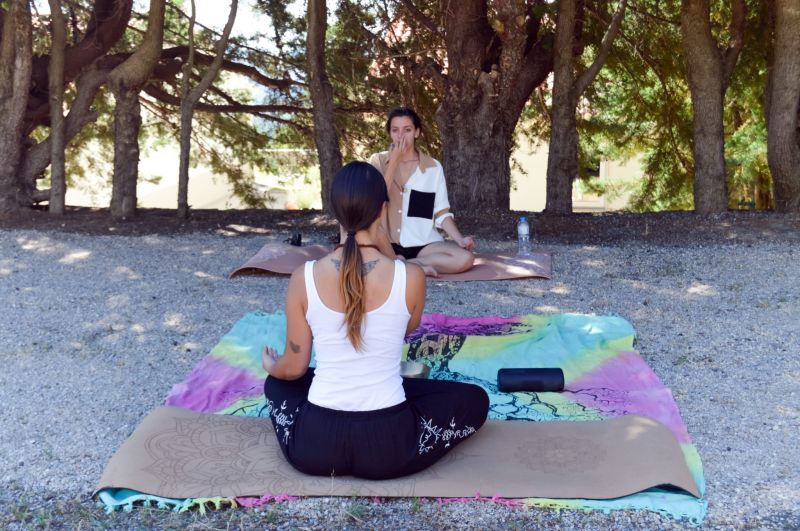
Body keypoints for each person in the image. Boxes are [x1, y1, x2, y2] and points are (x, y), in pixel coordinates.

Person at [262, 161, 489, 480]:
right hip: (389, 447)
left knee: (277, 383)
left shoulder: (304, 277)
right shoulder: (411, 276)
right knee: (474, 399)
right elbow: (405, 331)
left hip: (315, 446)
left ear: (335, 211)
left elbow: (295, 367)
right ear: (383, 211)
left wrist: (272, 367)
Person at [367, 107, 475, 277]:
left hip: (423, 245)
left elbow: (441, 212)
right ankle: (398, 262)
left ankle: (404, 265)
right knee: (363, 258)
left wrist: (459, 239)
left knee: (465, 259)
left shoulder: (433, 167)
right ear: (390, 133)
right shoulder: (377, 161)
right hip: (386, 242)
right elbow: (374, 200)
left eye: (407, 130)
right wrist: (393, 161)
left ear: (417, 132)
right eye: (395, 130)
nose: (401, 136)